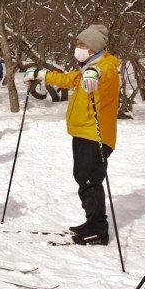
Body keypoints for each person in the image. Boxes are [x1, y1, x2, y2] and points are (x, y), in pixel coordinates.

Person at [23, 24, 120, 246]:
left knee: (89, 179)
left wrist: (94, 73)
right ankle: (92, 223)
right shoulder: (89, 67)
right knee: (83, 177)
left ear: (94, 47)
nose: (78, 48)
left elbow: (103, 75)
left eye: (82, 45)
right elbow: (70, 80)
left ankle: (97, 229)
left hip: (95, 134)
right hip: (83, 132)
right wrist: (42, 74)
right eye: (78, 44)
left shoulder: (104, 67)